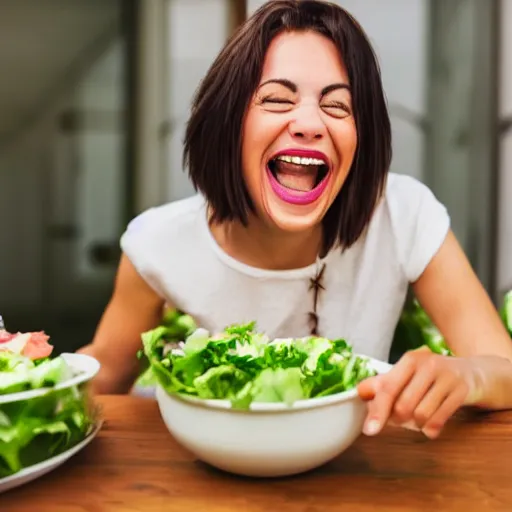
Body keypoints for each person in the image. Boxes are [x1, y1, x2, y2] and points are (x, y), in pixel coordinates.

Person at [79, 0, 512, 439]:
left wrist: (466, 376)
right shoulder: (159, 243)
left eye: (338, 106)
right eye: (277, 99)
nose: (309, 123)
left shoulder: (405, 215)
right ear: (227, 124)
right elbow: (105, 376)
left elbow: (505, 369)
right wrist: (26, 377)